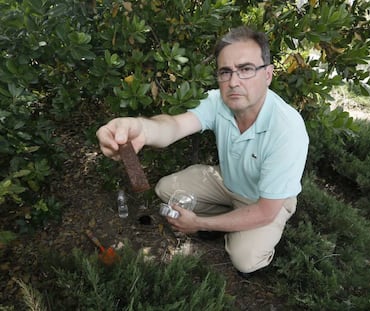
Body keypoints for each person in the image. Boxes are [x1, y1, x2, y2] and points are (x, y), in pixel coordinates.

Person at [96, 26, 309, 276]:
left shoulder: (287, 130)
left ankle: (243, 230)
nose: (233, 82)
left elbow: (264, 211)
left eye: (246, 69)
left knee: (245, 259)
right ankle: (231, 219)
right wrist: (142, 127)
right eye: (225, 72)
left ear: (268, 74)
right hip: (228, 181)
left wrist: (198, 224)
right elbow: (174, 126)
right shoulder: (218, 101)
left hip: (266, 199)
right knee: (165, 189)